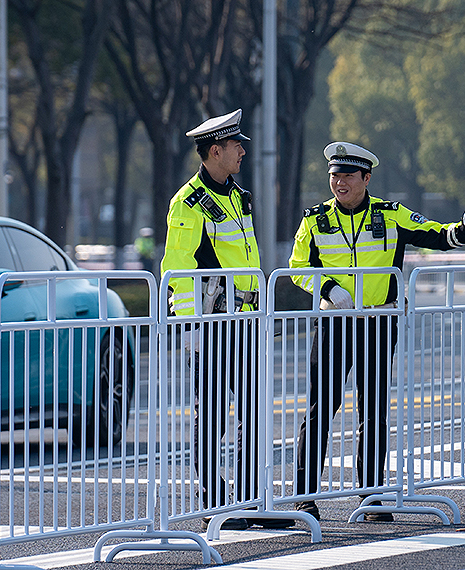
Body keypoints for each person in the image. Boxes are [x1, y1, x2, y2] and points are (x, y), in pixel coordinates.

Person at [288, 142, 465, 521]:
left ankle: (371, 497)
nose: (339, 182)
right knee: (319, 410)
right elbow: (297, 267)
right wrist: (328, 288)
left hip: (378, 323)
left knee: (373, 411)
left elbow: (436, 235)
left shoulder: (390, 214)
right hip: (333, 325)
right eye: (334, 176)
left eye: (348, 175)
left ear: (366, 178)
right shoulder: (314, 219)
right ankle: (304, 497)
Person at [161, 109, 291, 531]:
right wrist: (190, 327)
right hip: (212, 326)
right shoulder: (188, 203)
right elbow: (178, 270)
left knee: (254, 413)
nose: (242, 152)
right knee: (213, 416)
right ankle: (216, 502)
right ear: (215, 151)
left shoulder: (239, 197)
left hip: (246, 322)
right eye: (236, 146)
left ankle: (252, 500)